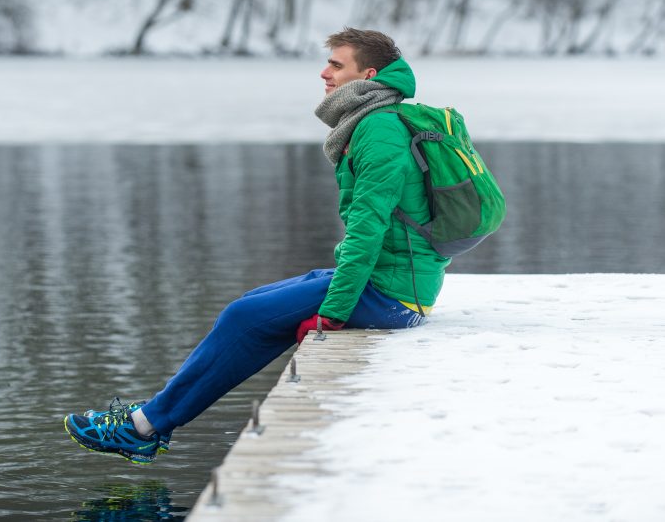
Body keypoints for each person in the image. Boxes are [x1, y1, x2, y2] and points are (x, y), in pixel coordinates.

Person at [64, 27, 450, 464]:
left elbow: (368, 228)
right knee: (254, 303)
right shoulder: (374, 120)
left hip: (394, 294)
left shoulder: (379, 130)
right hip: (394, 280)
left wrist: (334, 314)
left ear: (369, 74)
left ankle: (144, 428)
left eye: (336, 65)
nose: (324, 73)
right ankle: (153, 417)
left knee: (245, 316)